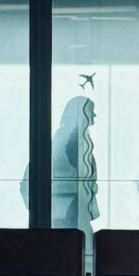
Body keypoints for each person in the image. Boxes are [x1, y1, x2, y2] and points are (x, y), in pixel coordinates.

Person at [49, 97, 99, 239]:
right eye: (91, 111)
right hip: (72, 207)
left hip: (68, 207)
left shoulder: (65, 136)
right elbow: (79, 171)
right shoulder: (74, 138)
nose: (94, 115)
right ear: (81, 113)